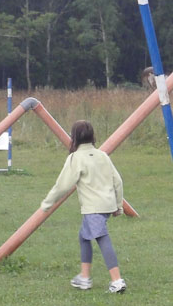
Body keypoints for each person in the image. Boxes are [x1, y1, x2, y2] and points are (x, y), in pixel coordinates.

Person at [40, 120, 126, 293]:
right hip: (106, 204)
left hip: (93, 207)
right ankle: (84, 278)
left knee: (102, 238)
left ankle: (117, 281)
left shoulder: (76, 158)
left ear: (74, 138)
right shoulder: (103, 155)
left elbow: (62, 185)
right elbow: (117, 181)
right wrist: (118, 206)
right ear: (92, 136)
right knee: (84, 237)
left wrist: (47, 203)